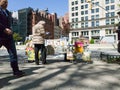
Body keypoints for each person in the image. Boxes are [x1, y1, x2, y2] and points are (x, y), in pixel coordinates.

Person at [0, 0, 25, 76]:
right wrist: (4, 29)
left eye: (7, 2)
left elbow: (10, 23)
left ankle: (16, 71)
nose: (6, 3)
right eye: (4, 1)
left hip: (9, 37)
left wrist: (11, 30)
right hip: (0, 35)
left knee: (13, 53)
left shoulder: (8, 12)